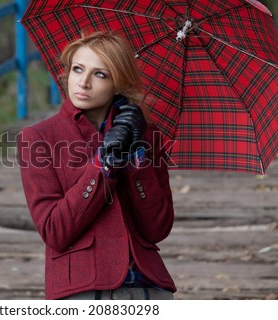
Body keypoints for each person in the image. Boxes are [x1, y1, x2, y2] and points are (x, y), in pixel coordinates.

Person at [17, 31, 176, 300]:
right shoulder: (39, 138)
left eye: (100, 74)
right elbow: (55, 232)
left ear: (118, 83)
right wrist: (104, 164)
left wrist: (136, 156)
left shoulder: (146, 135)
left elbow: (157, 229)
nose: (84, 82)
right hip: (82, 288)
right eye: (78, 69)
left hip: (149, 285)